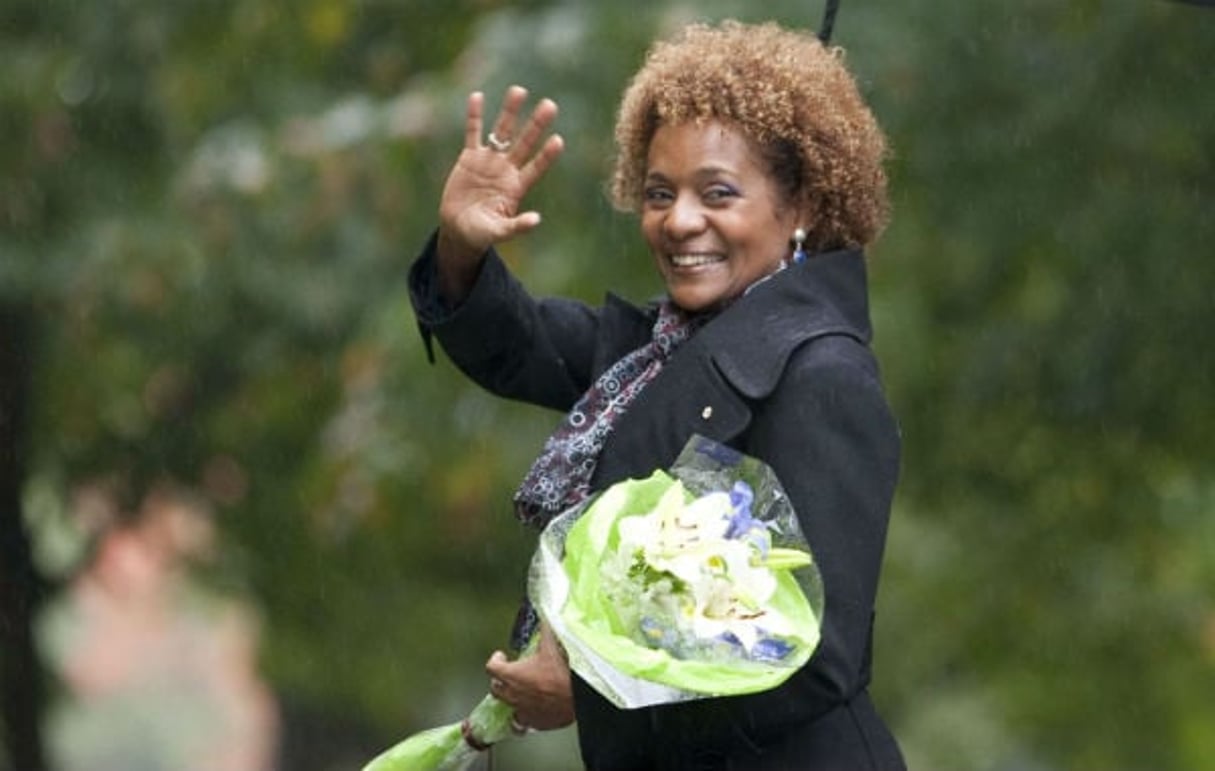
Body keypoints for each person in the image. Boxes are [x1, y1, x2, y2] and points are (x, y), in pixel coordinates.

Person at [408, 19, 905, 771]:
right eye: (657, 193)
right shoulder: (657, 352)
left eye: (718, 193)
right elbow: (520, 347)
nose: (678, 221)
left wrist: (590, 683)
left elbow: (816, 661)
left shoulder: (822, 378)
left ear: (800, 205)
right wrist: (461, 246)